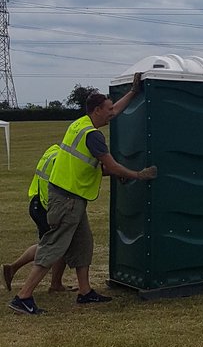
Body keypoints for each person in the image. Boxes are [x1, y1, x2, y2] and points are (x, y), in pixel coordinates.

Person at [9, 74, 158, 316]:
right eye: (108, 109)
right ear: (98, 109)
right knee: (53, 247)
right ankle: (23, 297)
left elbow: (114, 115)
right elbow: (110, 165)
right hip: (66, 200)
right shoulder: (93, 136)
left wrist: (132, 92)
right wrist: (137, 175)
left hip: (72, 198)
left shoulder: (79, 124)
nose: (112, 113)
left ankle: (85, 292)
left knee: (83, 244)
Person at [2, 143, 69, 294]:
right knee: (56, 245)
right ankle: (52, 284)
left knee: (49, 244)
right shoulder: (62, 159)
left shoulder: (52, 150)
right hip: (45, 206)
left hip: (36, 203)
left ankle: (14, 269)